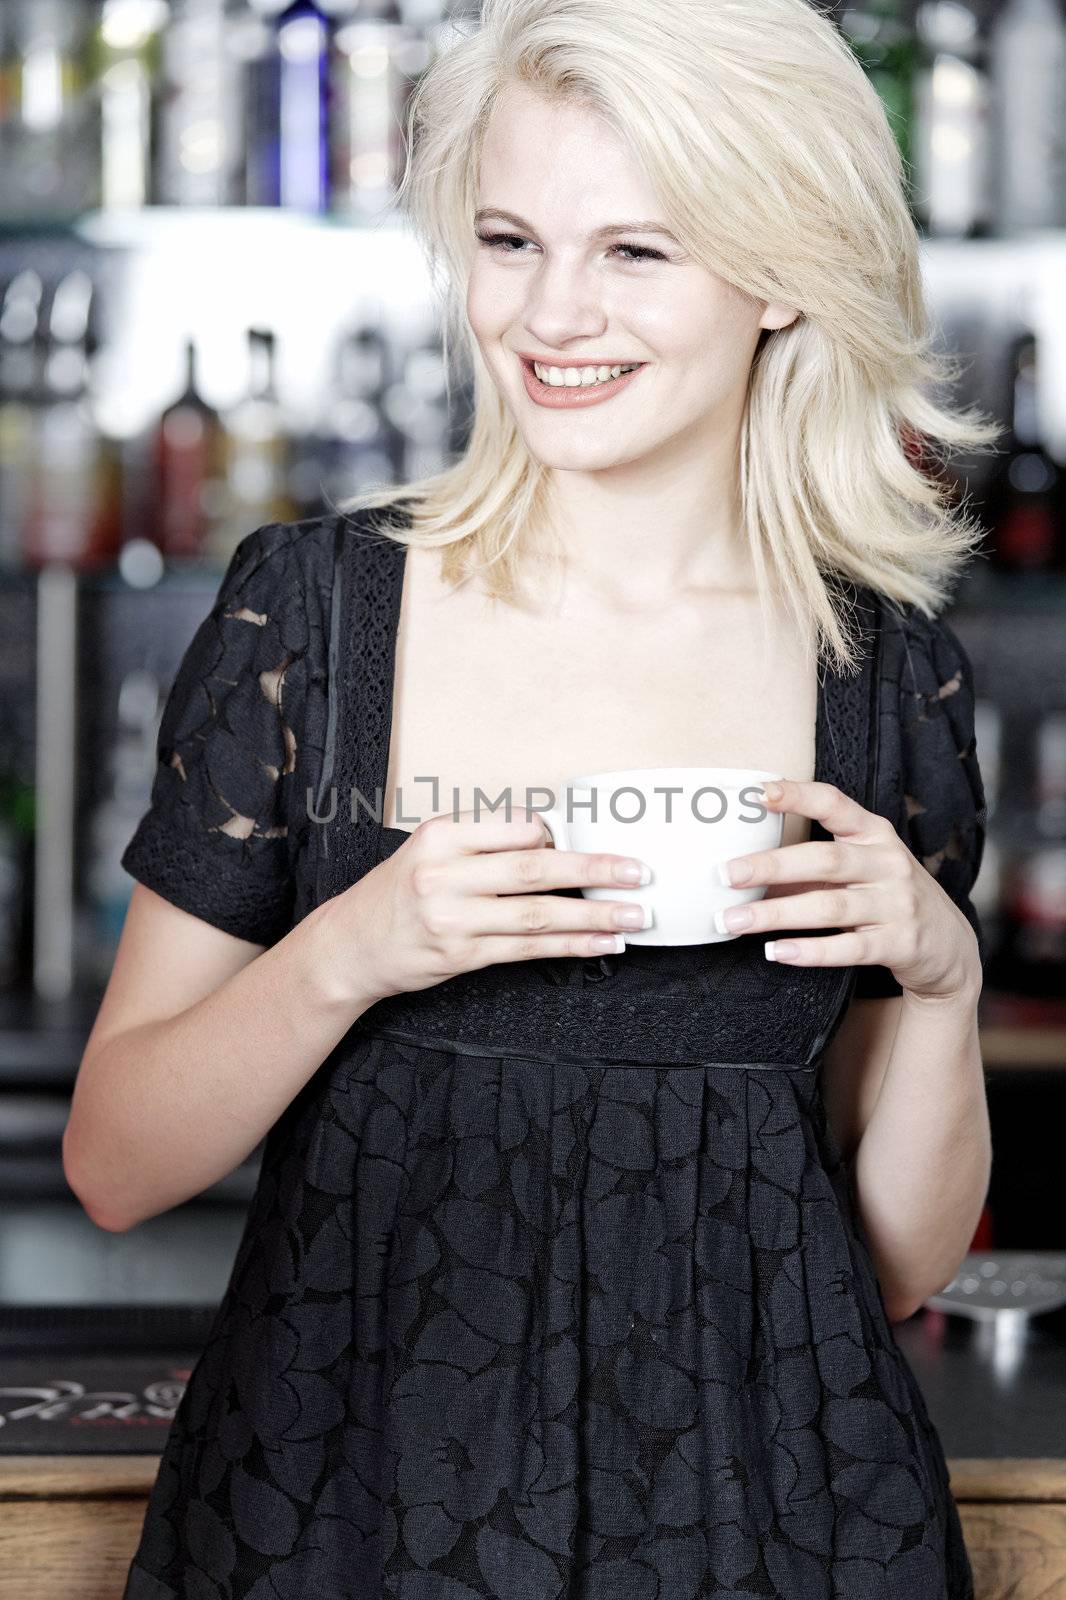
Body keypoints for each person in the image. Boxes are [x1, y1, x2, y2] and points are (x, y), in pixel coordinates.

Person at [63, 0, 997, 1594]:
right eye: (509, 239)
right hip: (342, 1519)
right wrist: (351, 949)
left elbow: (890, 1262)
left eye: (637, 251)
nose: (551, 313)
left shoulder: (876, 665)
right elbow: (117, 1163)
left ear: (778, 273)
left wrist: (939, 977)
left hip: (768, 1526)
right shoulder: (315, 614)